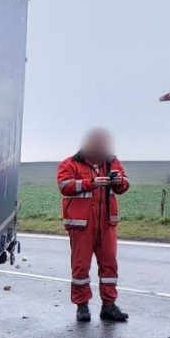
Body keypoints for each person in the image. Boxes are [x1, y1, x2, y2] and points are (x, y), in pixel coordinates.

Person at [57, 129, 130, 323]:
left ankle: (109, 306)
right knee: (80, 267)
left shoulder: (112, 162)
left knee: (110, 265)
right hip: (81, 225)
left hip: (106, 224)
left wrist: (118, 181)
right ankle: (82, 307)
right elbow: (64, 185)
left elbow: (124, 186)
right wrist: (91, 183)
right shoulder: (70, 163)